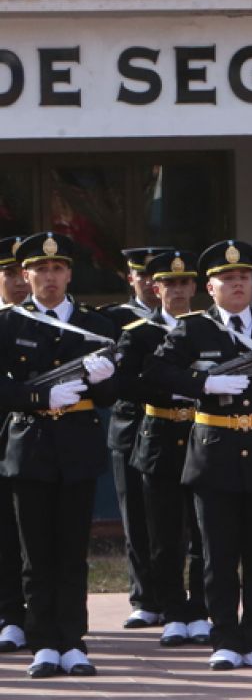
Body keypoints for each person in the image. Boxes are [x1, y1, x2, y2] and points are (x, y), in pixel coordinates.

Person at [145, 240, 252, 670]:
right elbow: (157, 373)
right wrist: (204, 386)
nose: (237, 285)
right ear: (210, 287)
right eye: (227, 279)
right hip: (215, 454)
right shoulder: (193, 330)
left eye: (243, 278)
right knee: (218, 557)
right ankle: (224, 638)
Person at [0, 233, 121, 677]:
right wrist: (39, 397)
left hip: (76, 446)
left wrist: (106, 377)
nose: (49, 278)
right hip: (30, 446)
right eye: (41, 270)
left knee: (72, 551)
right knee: (36, 553)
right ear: (26, 275)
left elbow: (109, 395)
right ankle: (43, 641)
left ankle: (73, 641)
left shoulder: (97, 326)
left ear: (69, 274)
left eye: (57, 270)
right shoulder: (9, 324)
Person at [117, 249, 212, 649]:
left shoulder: (209, 329)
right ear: (155, 288)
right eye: (168, 283)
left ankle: (200, 609)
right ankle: (172, 610)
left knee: (205, 532)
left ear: (194, 287)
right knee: (164, 533)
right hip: (159, 436)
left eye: (183, 282)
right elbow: (127, 384)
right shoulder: (138, 332)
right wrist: (183, 385)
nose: (176, 290)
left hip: (202, 438)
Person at [102, 246, 169, 631]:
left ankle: (174, 595)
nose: (147, 283)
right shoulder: (115, 319)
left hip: (170, 429)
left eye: (153, 276)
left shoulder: (185, 321)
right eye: (141, 276)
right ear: (131, 279)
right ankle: (144, 597)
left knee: (173, 520)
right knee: (136, 519)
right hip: (130, 427)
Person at [0, 238, 26, 655]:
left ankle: (21, 616)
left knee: (24, 532)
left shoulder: (54, 323)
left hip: (26, 440)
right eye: (10, 275)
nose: (20, 282)